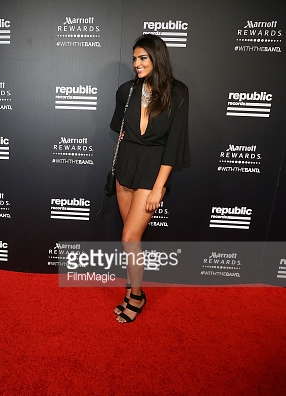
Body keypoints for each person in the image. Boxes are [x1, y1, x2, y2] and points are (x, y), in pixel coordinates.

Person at [109, 34, 190, 323]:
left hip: (152, 170)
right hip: (126, 166)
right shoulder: (126, 91)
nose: (137, 64)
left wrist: (159, 188)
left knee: (129, 237)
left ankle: (137, 296)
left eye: (143, 58)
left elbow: (174, 143)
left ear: (157, 58)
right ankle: (133, 290)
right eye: (134, 58)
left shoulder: (177, 93)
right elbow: (119, 127)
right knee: (132, 239)